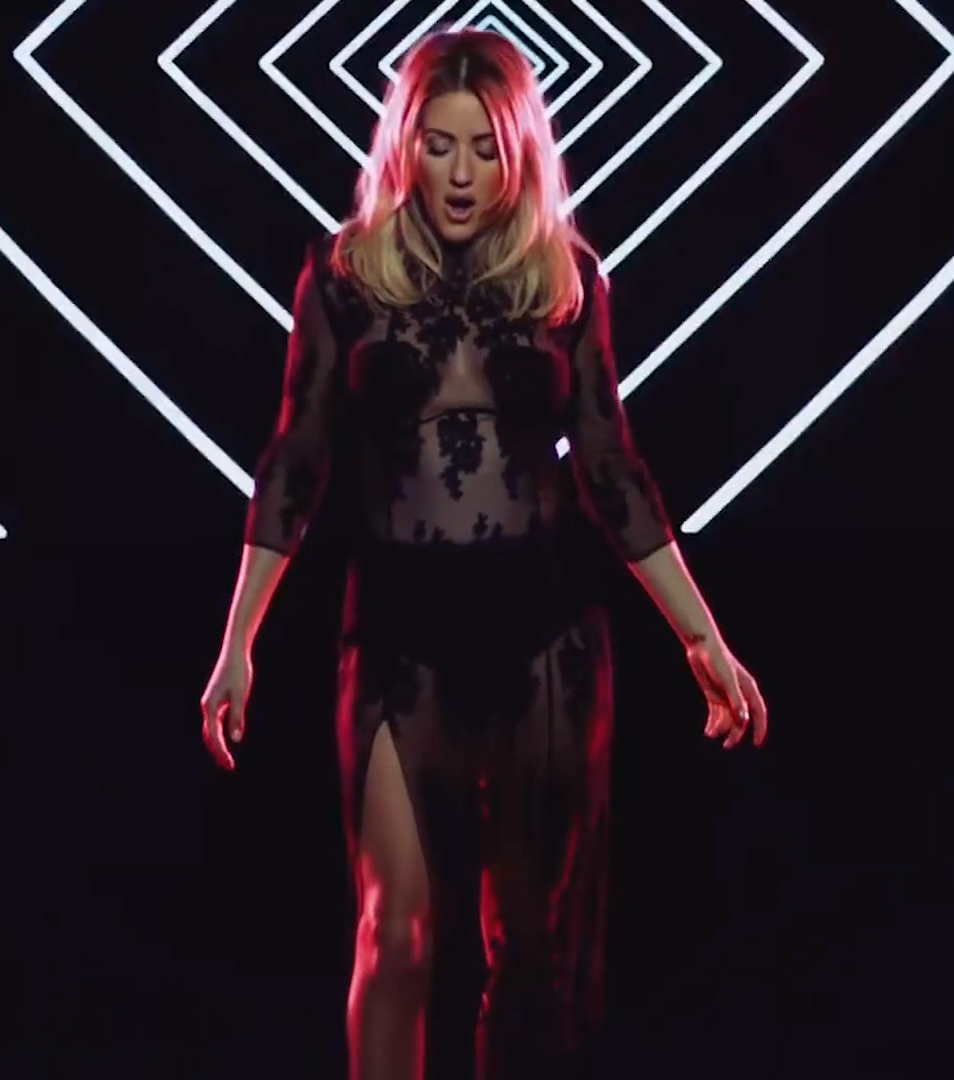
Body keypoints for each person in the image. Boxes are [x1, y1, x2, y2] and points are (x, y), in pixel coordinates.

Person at [198, 29, 768, 1080]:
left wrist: (704, 641)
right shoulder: (342, 276)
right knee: (394, 934)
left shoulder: (566, 279)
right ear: (403, 148)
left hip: (542, 639)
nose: (461, 174)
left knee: (533, 952)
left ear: (520, 153)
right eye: (439, 145)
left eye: (485, 149)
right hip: (396, 639)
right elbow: (294, 461)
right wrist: (239, 643)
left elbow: (612, 469)